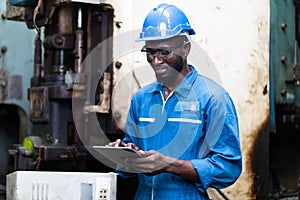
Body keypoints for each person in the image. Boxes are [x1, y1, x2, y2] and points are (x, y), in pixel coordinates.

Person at [107, 3, 242, 199]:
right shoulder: (142, 99)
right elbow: (130, 161)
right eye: (151, 52)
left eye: (164, 52)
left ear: (185, 49)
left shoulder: (213, 98)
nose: (156, 61)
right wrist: (127, 153)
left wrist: (169, 165)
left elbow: (227, 167)